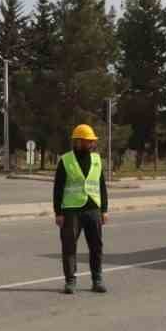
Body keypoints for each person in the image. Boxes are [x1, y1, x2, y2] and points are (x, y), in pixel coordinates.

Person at [54, 123, 108, 295]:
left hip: (93, 209)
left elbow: (101, 186)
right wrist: (58, 212)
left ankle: (97, 280)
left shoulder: (97, 160)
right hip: (71, 210)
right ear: (77, 141)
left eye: (91, 141)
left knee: (96, 247)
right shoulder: (66, 160)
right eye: (86, 141)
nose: (90, 144)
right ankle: (70, 281)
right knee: (69, 247)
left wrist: (104, 210)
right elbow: (58, 188)